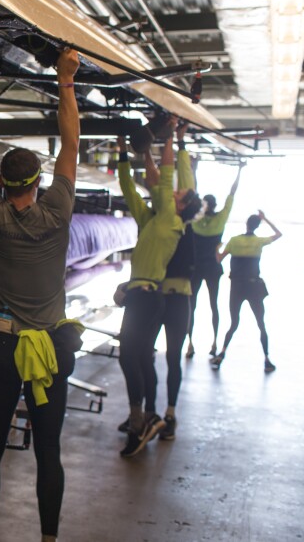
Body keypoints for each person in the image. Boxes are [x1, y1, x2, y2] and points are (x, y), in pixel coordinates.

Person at [0, 49, 81, 542]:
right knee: (50, 452)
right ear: (40, 182)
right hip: (46, 349)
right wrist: (64, 80)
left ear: (2, 182)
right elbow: (72, 140)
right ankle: (48, 539)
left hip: (2, 350)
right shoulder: (59, 211)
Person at [116, 119, 203, 458]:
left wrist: (168, 139)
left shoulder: (172, 220)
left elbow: (166, 177)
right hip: (141, 296)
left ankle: (143, 417)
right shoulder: (153, 220)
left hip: (149, 297)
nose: (174, 191)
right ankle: (144, 414)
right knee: (138, 358)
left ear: (181, 205)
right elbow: (130, 187)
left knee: (131, 356)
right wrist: (124, 153)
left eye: (179, 195)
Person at [213, 211, 282, 372]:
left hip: (236, 287)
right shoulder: (258, 241)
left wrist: (217, 248)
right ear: (257, 226)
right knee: (261, 324)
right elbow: (279, 234)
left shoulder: (234, 240)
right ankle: (266, 359)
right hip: (253, 287)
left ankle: (221, 354)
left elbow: (218, 259)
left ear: (246, 224)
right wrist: (265, 218)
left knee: (233, 323)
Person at [187, 162, 243, 359]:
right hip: (213, 267)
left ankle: (190, 345)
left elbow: (193, 190)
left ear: (204, 204)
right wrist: (240, 170)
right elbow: (232, 193)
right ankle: (214, 342)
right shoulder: (220, 220)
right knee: (214, 305)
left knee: (191, 306)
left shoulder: (195, 219)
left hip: (195, 267)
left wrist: (193, 168)